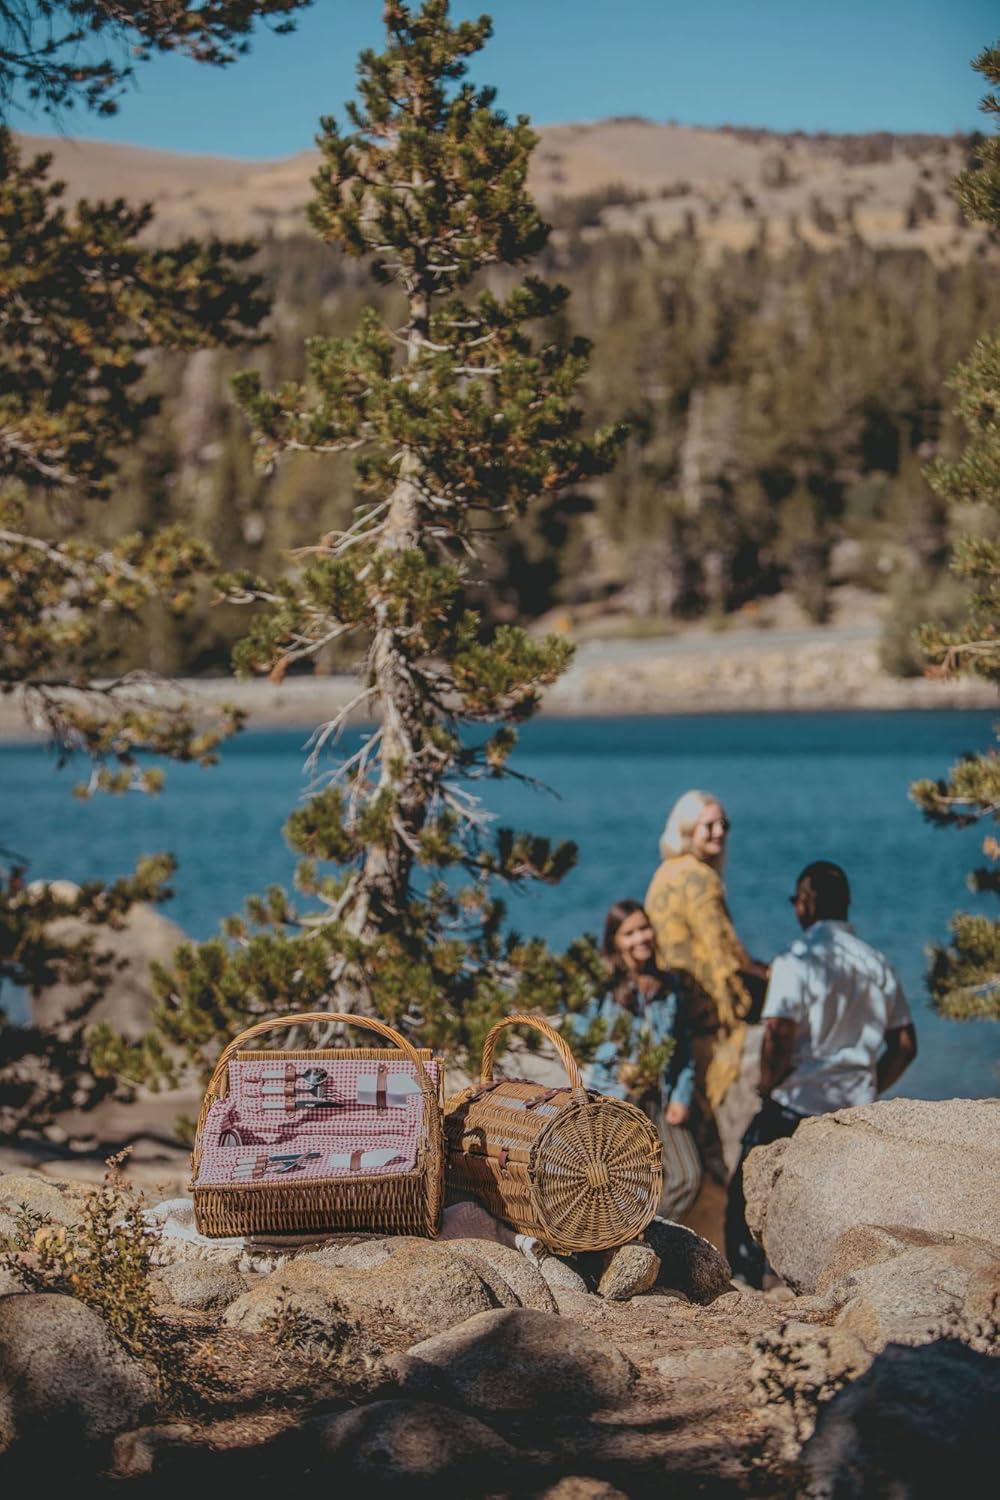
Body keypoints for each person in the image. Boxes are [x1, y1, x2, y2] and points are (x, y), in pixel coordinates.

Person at [725, 859, 918, 1286]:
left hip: (796, 1104)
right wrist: (871, 1083)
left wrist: (765, 1083)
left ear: (806, 904)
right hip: (857, 1110)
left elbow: (778, 1034)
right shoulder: (877, 962)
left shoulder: (796, 961)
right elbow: (905, 1045)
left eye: (797, 899)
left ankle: (744, 1280)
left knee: (747, 1192)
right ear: (847, 904)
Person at [644, 790, 769, 1178]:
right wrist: (768, 980)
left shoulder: (665, 871)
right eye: (709, 825)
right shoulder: (699, 878)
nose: (719, 832)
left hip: (670, 1008)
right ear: (687, 829)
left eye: (723, 825)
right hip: (700, 1018)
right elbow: (724, 955)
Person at [571, 899, 702, 1220]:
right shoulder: (601, 987)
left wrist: (683, 1096)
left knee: (687, 1177)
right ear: (615, 940)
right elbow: (580, 1042)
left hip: (661, 1097)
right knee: (623, 1182)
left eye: (644, 929)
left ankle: (647, 1232)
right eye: (629, 933)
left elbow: (683, 1051)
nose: (641, 938)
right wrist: (619, 1061)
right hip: (615, 1099)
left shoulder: (669, 986)